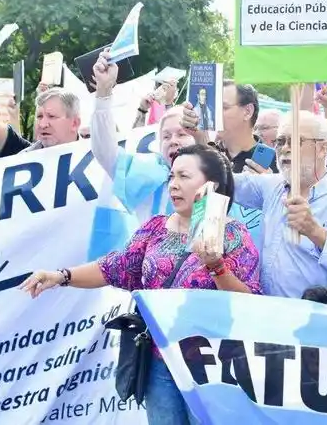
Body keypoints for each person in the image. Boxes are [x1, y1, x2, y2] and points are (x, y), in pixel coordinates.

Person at [21, 144, 260, 425]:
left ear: (211, 185)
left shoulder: (234, 236)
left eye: (184, 176)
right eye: (171, 177)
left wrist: (217, 267)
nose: (174, 185)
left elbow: (250, 303)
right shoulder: (155, 228)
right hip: (159, 360)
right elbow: (115, 267)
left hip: (212, 367)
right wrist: (61, 276)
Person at [232, 110, 327, 298]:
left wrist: (317, 233)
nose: (285, 148)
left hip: (315, 318)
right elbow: (223, 181)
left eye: (296, 141)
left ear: (323, 148)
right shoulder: (271, 185)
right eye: (280, 141)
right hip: (267, 312)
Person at [91, 49, 196, 222]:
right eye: (166, 136)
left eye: (181, 134)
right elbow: (105, 151)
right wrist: (103, 92)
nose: (173, 141)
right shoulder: (145, 173)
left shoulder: (214, 179)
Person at [0, 44, 81, 156]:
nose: (42, 124)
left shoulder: (96, 158)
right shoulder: (23, 156)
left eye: (51, 116)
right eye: (39, 116)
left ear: (74, 123)